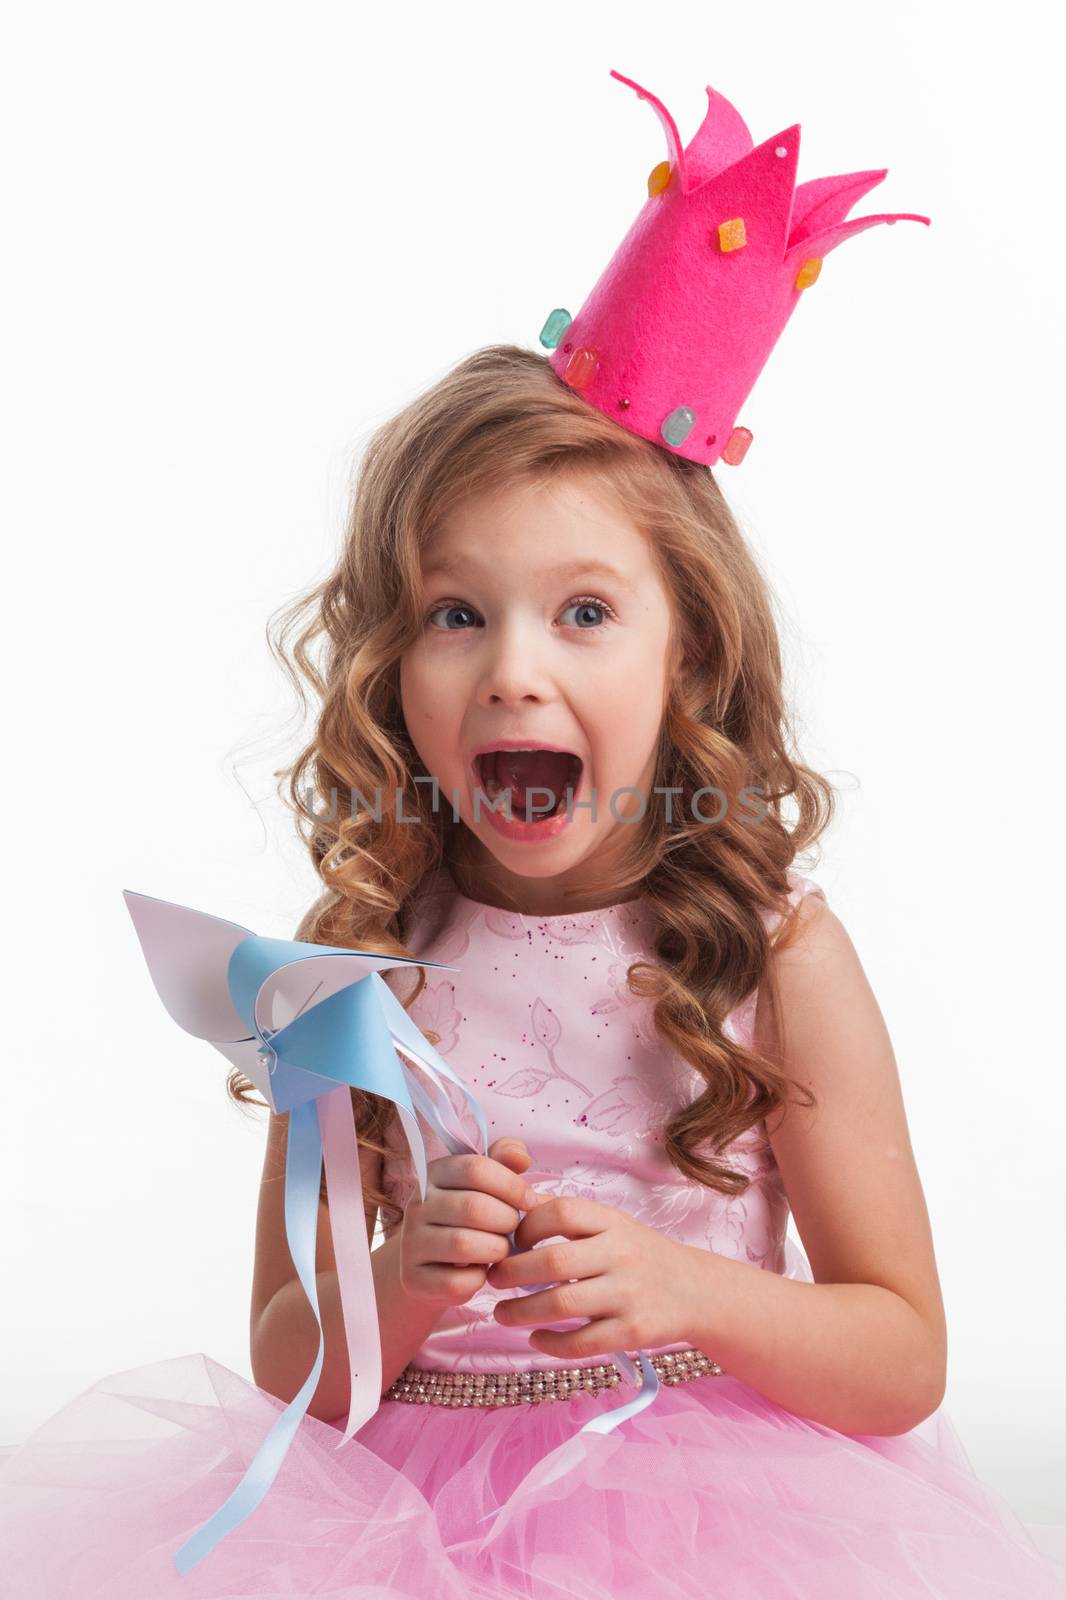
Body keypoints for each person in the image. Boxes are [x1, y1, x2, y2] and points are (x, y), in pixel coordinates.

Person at [4, 74, 1065, 1600]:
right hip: (396, 1529)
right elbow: (286, 1365)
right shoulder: (354, 966)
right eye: (454, 612)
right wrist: (402, 1283)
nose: (513, 666)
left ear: (687, 653)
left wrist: (690, 1291)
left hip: (710, 1517)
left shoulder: (769, 951)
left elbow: (898, 1353)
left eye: (582, 611)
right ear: (388, 661)